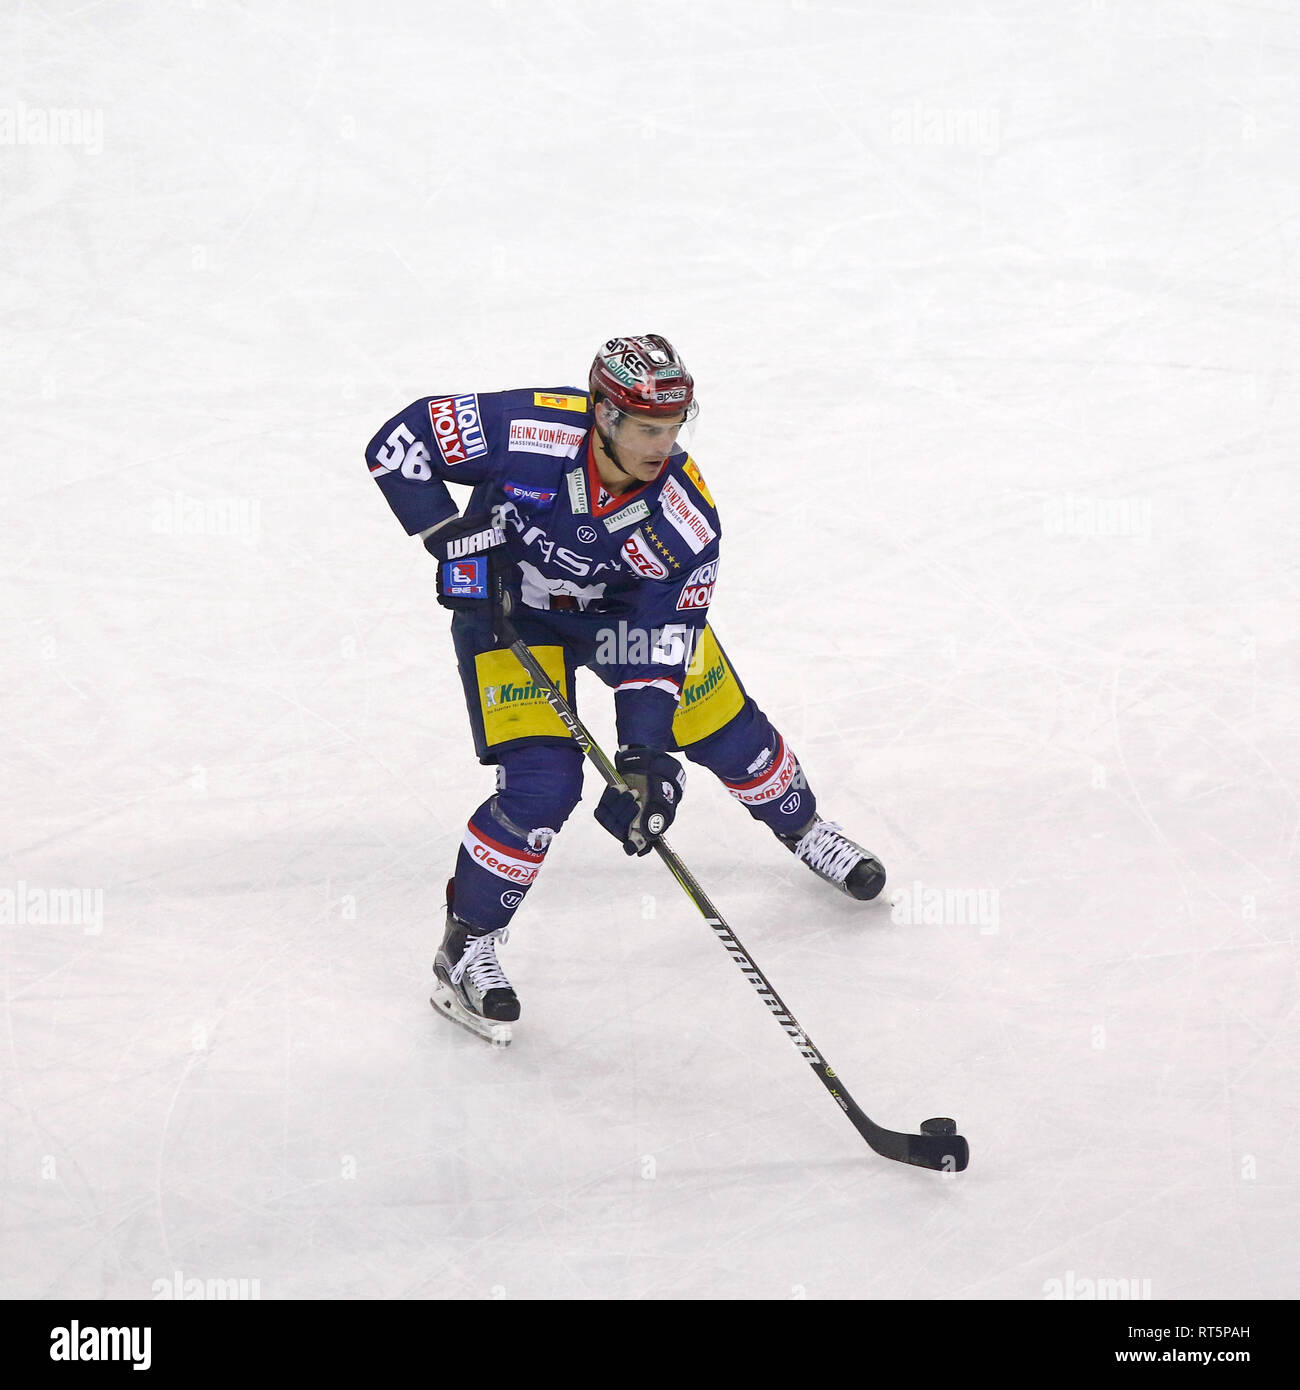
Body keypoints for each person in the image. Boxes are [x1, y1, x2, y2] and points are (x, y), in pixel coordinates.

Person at [365, 335, 885, 1043]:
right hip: (513, 620)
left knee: (729, 736)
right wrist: (448, 535)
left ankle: (804, 826)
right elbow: (400, 442)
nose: (662, 445)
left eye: (673, 428)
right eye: (647, 428)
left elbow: (662, 640)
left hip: (621, 625)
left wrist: (644, 759)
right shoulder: (527, 429)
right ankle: (467, 947)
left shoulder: (685, 520)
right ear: (604, 416)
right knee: (542, 787)